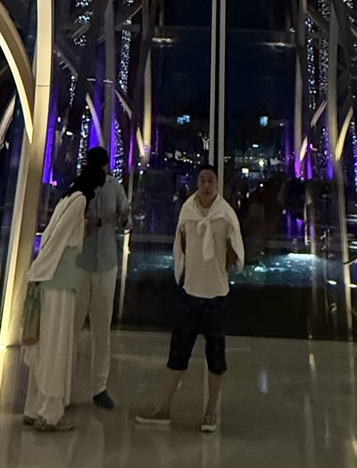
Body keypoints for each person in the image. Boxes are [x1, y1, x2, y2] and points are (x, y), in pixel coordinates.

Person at [135, 163, 244, 432]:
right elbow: (180, 244)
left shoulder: (225, 215)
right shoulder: (188, 211)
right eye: (202, 179)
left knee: (216, 356)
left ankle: (211, 410)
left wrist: (223, 266)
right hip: (191, 292)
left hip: (216, 294)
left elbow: (235, 249)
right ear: (197, 182)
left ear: (217, 184)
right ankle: (163, 407)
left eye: (211, 180)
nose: (206, 185)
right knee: (178, 352)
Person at [23, 162, 104, 433]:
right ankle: (50, 413)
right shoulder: (79, 201)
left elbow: (51, 236)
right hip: (59, 282)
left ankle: (34, 407)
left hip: (52, 280)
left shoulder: (67, 198)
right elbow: (59, 239)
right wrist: (41, 269)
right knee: (56, 345)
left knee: (44, 342)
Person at [74, 145, 129, 410]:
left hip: (106, 264)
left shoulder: (115, 187)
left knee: (101, 328)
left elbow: (126, 221)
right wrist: (97, 222)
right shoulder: (80, 188)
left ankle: (99, 387)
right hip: (82, 263)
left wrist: (124, 218)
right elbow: (72, 225)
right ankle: (64, 384)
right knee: (73, 326)